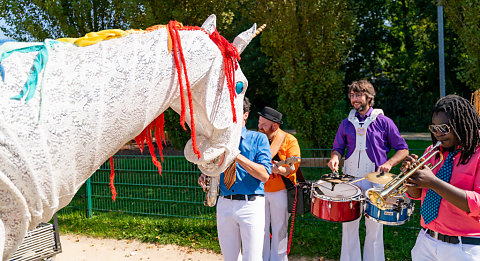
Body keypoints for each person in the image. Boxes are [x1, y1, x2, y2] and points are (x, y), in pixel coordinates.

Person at [327, 80, 409, 261]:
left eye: (358, 95)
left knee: (374, 228)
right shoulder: (345, 123)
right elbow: (338, 149)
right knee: (348, 226)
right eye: (352, 95)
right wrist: (334, 158)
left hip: (376, 181)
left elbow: (403, 149)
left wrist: (389, 163)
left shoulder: (384, 122)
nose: (354, 99)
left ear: (369, 98)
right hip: (350, 180)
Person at [402, 95, 480, 261]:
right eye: (434, 128)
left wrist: (434, 183)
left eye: (444, 128)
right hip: (426, 240)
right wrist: (410, 177)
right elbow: (416, 194)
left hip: (463, 247)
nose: (438, 134)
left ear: (460, 124)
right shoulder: (433, 151)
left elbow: (477, 204)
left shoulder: (478, 154)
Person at [198, 97, 272, 261]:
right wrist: (207, 174)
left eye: (234, 113)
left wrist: (235, 154)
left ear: (245, 115)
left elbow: (265, 175)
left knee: (252, 258)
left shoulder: (259, 139)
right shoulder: (218, 142)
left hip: (251, 205)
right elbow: (213, 167)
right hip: (224, 203)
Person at [258, 107, 301, 261]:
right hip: (259, 190)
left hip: (280, 191)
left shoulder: (289, 140)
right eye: (259, 123)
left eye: (264, 124)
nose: (260, 127)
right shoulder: (258, 138)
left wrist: (280, 170)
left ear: (275, 126)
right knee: (259, 228)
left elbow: (293, 165)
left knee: (279, 229)